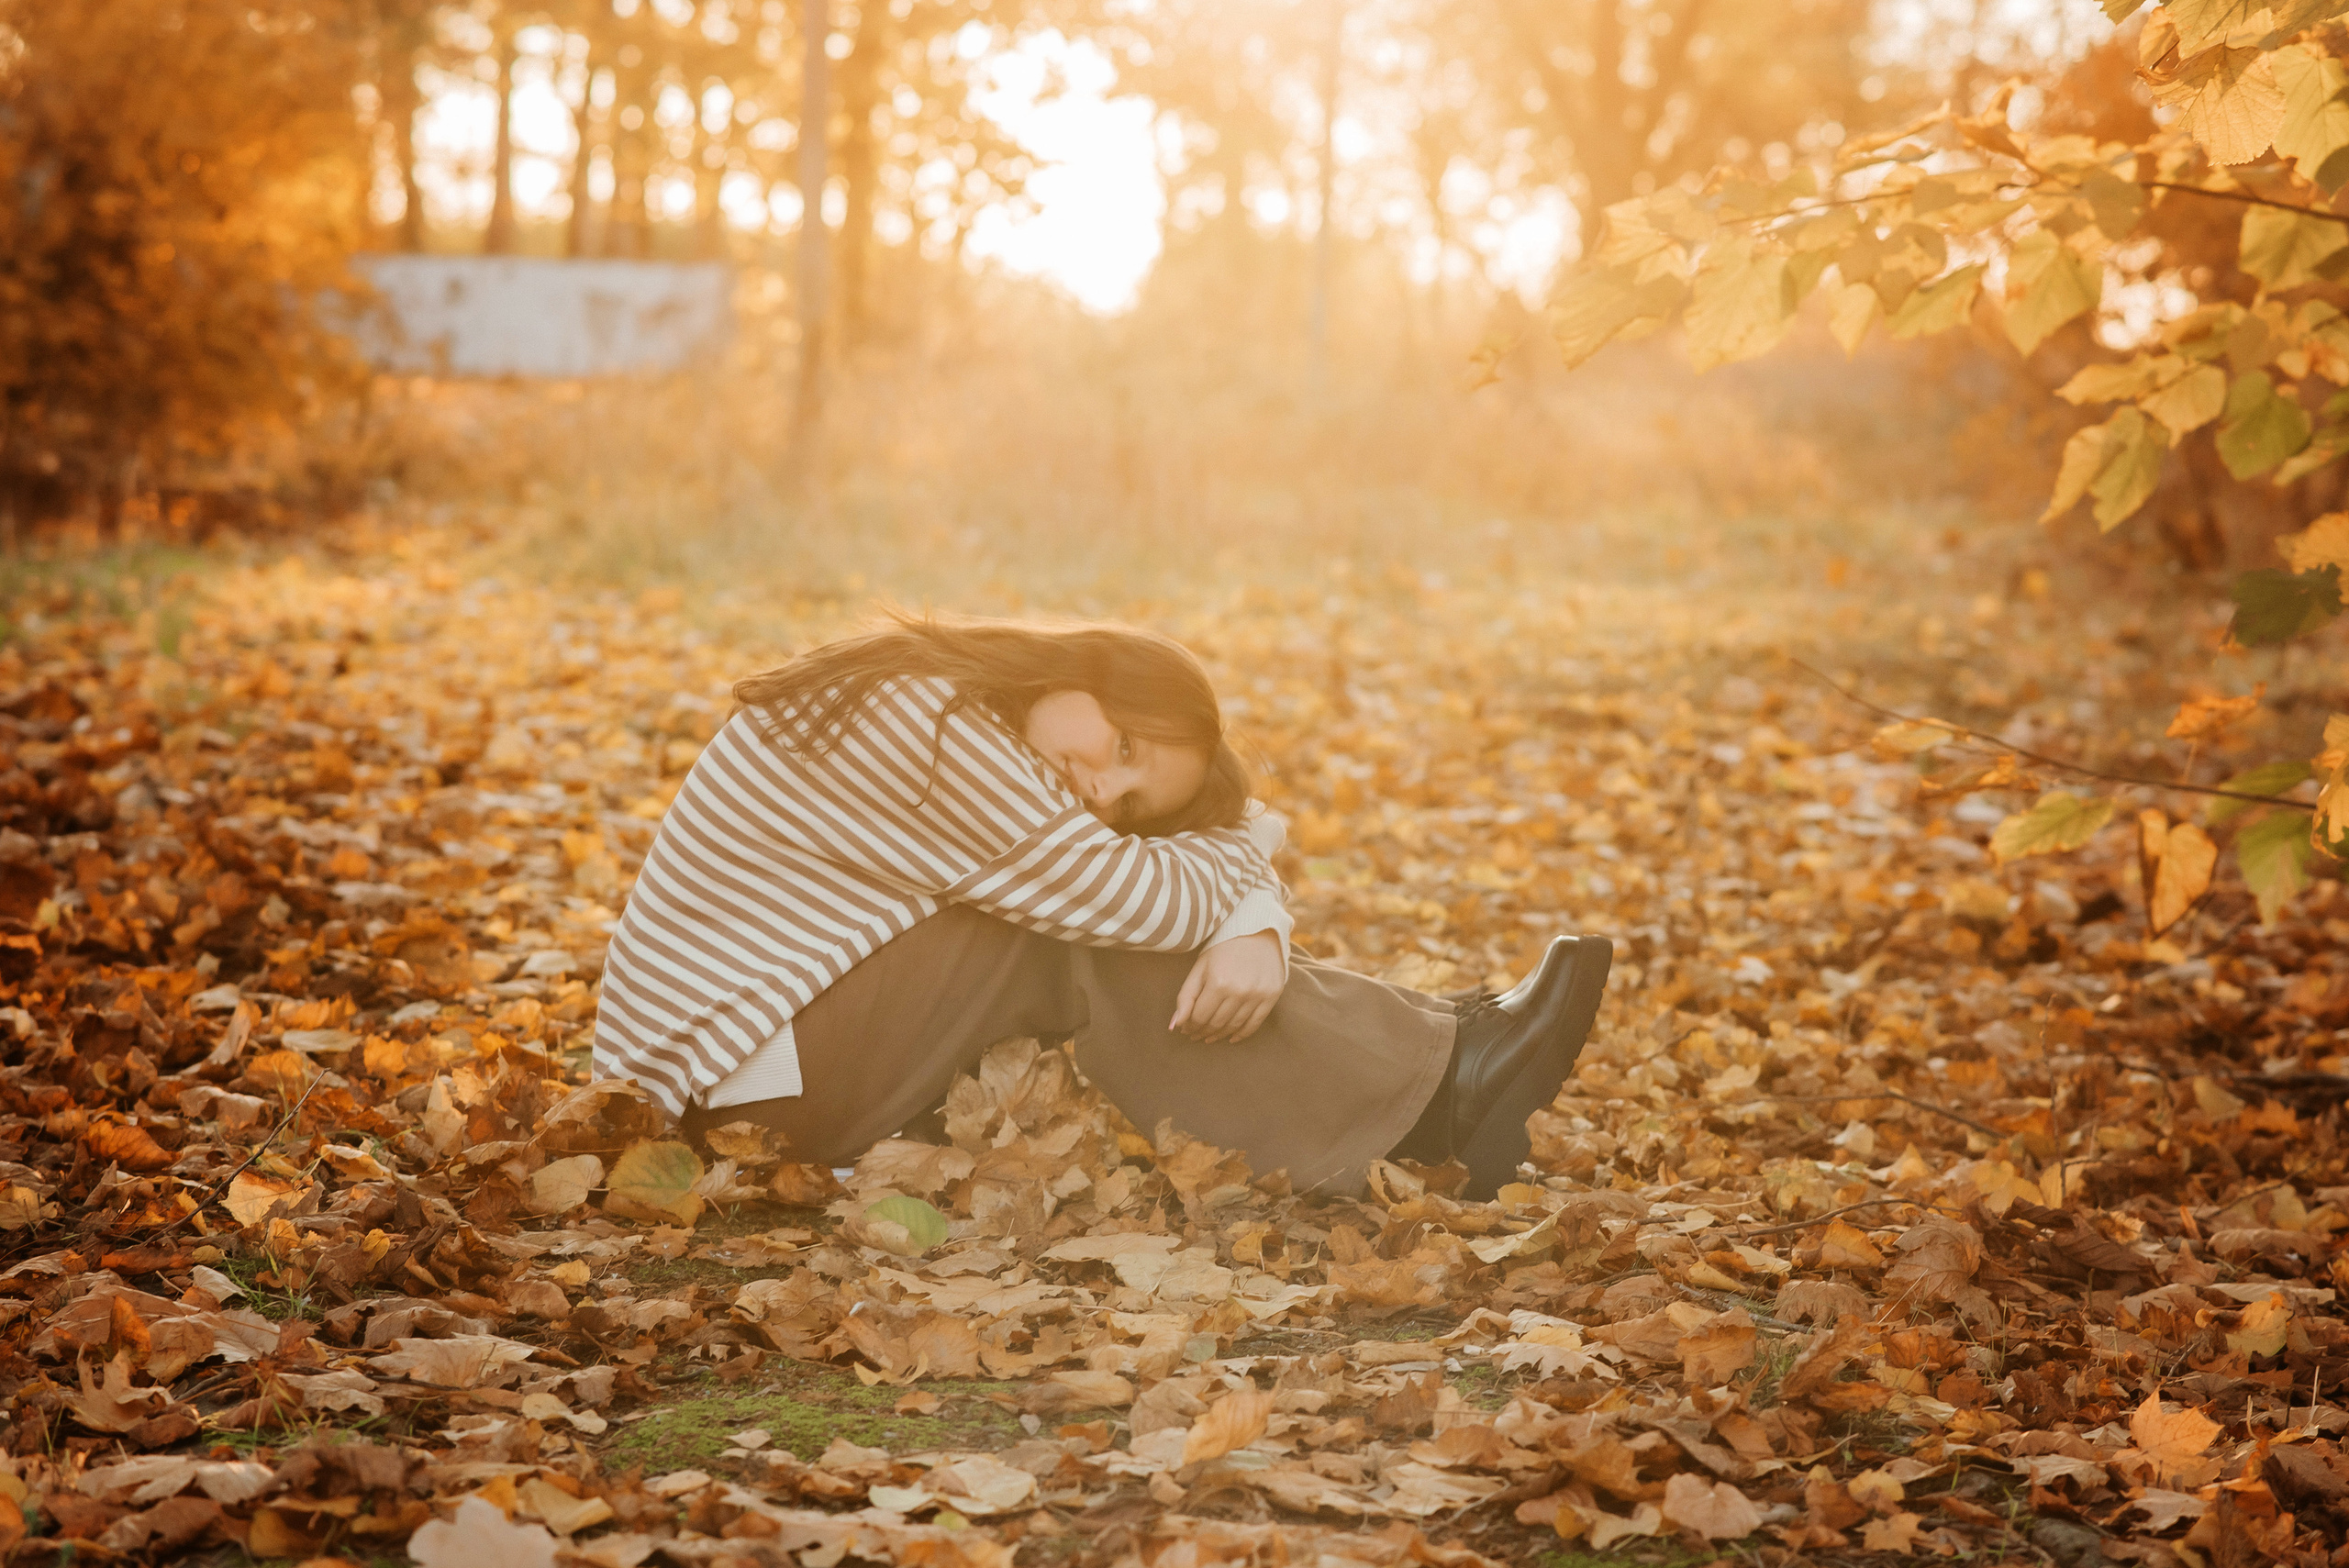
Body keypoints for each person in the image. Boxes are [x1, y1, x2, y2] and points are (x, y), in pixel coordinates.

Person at [590, 612, 1610, 1199]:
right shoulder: (931, 722)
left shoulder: (973, 710)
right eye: (1121, 746)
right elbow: (1134, 895)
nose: (1100, 786)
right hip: (735, 1087)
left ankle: (1435, 1062)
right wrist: (1247, 892)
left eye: (1129, 795)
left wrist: (1251, 917)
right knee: (1068, 931)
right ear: (1084, 666)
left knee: (1088, 905)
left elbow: (1145, 874)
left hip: (778, 1051)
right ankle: (1437, 1089)